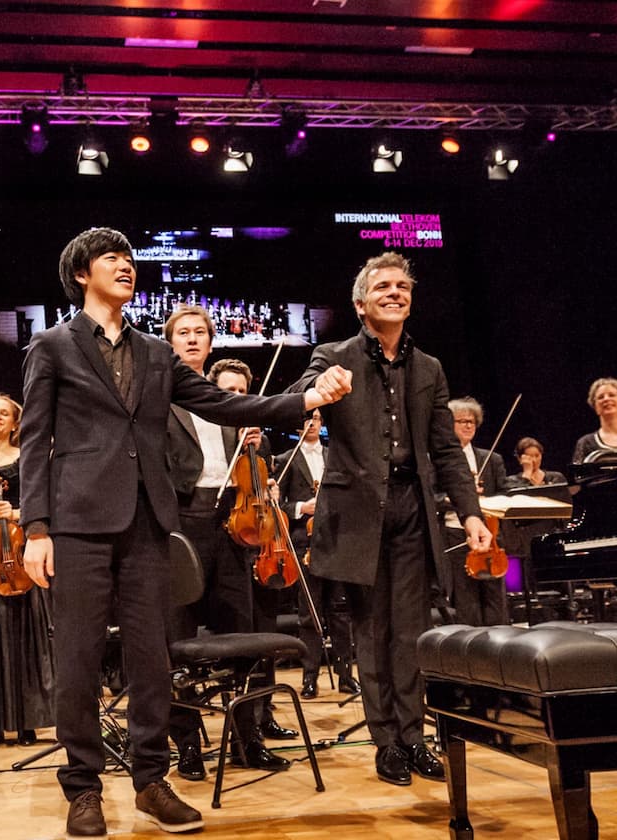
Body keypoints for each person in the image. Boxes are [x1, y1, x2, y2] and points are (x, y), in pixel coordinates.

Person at [18, 227, 350, 837]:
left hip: (148, 522)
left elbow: (225, 406)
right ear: (80, 273)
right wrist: (36, 527)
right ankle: (83, 788)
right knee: (80, 660)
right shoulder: (52, 346)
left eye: (128, 257)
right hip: (79, 526)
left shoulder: (153, 351)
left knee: (152, 659)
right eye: (110, 258)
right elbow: (35, 442)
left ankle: (150, 781)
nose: (125, 265)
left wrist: (301, 401)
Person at [289, 251, 491, 787]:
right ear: (361, 303)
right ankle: (386, 741)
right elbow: (295, 401)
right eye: (383, 287)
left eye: (403, 286)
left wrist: (469, 513)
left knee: (411, 632)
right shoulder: (333, 355)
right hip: (357, 513)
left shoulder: (430, 369)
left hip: (412, 509)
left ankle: (414, 734)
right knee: (372, 631)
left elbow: (446, 451)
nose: (395, 292)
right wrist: (318, 390)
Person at [162, 348, 293, 782]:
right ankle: (186, 744)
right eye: (183, 333)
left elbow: (255, 474)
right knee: (176, 640)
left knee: (243, 634)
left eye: (200, 332)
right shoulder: (168, 407)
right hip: (182, 528)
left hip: (232, 531)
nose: (192, 339)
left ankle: (247, 739)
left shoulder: (237, 418)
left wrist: (260, 447)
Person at [0, 393, 55, 749]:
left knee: (20, 637)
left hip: (15, 554)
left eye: (5, 413)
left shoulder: (26, 459)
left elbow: (43, 500)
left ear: (16, 423)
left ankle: (26, 721)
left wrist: (17, 513)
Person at [272, 409, 357, 700]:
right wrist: (301, 508)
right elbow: (276, 505)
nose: (311, 423)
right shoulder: (285, 461)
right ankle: (309, 678)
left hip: (336, 541)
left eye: (317, 418)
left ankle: (346, 674)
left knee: (340, 611)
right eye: (306, 418)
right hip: (303, 541)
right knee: (309, 613)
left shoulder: (335, 456)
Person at [437, 397, 512, 627]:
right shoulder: (439, 462)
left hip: (490, 534)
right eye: (461, 421)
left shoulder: (492, 460)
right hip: (455, 533)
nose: (468, 426)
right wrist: (456, 498)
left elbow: (505, 494)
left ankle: (501, 648)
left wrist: (483, 497)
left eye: (471, 421)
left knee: (495, 598)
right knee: (465, 598)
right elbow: (432, 497)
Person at [502, 436, 567, 490]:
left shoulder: (556, 478)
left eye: (537, 455)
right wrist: (527, 473)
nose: (534, 460)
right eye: (529, 456)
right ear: (519, 458)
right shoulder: (512, 481)